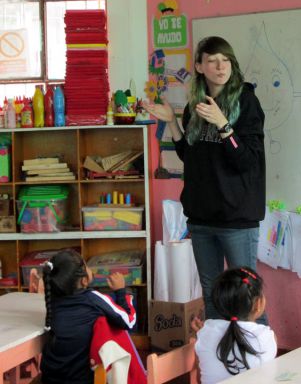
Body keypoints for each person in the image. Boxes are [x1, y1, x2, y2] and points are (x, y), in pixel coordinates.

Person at [143, 36, 266, 320]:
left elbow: (247, 160)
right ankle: (217, 356)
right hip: (201, 218)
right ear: (199, 66)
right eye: (212, 60)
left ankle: (257, 358)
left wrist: (223, 124)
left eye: (226, 60)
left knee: (247, 296)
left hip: (237, 217)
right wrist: (172, 122)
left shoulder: (246, 102)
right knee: (211, 291)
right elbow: (190, 157)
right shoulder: (194, 107)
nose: (220, 66)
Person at [39, 249, 137, 384]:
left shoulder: (53, 300)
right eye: (88, 266)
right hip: (81, 380)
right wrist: (121, 291)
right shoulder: (92, 299)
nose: (91, 269)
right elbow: (128, 321)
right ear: (84, 280)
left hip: (48, 378)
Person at [193, 267, 277, 384]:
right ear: (258, 304)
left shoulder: (205, 332)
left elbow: (200, 379)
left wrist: (203, 334)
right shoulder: (266, 336)